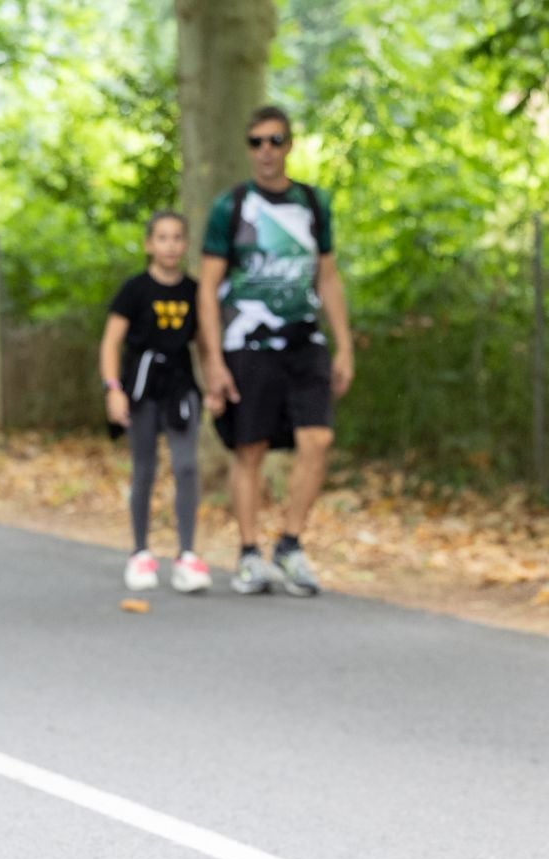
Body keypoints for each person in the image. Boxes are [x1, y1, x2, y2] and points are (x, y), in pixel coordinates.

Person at [196, 105, 355, 597]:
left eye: (275, 140)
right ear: (248, 148)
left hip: (304, 340)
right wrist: (214, 361)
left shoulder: (312, 203)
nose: (266, 150)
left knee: (317, 441)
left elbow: (327, 276)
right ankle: (248, 552)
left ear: (289, 145)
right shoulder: (232, 206)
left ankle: (290, 543)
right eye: (256, 142)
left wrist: (344, 345)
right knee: (251, 448)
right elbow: (207, 287)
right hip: (248, 342)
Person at [100, 212, 211, 594]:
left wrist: (215, 385)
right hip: (141, 389)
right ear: (149, 244)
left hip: (181, 391)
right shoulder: (134, 290)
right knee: (144, 469)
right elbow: (111, 342)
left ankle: (187, 555)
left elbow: (206, 345)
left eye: (177, 237)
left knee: (186, 467)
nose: (170, 245)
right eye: (162, 238)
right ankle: (140, 552)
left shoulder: (195, 291)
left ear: (185, 244)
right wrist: (113, 388)